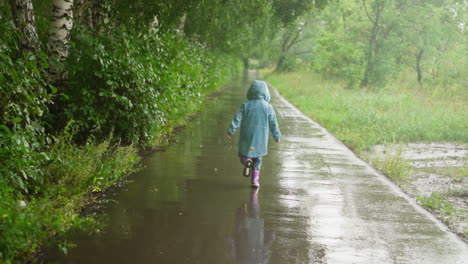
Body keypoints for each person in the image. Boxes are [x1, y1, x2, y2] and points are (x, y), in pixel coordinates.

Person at [226, 80, 281, 188]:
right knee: (258, 158)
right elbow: (273, 123)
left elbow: (237, 119)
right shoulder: (268, 107)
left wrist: (231, 131)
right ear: (266, 93)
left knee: (243, 154)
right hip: (261, 137)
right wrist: (276, 136)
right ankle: (255, 181)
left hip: (247, 134)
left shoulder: (245, 105)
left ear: (251, 91)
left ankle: (247, 161)